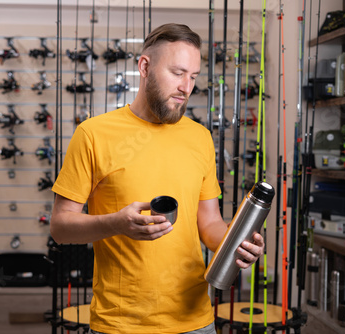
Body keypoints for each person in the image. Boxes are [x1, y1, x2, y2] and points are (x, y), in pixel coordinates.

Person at [50, 23, 264, 334]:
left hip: (195, 321)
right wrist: (116, 223)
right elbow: (60, 228)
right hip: (120, 324)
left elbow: (209, 224)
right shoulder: (93, 135)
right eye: (177, 73)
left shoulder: (200, 138)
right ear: (145, 67)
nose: (186, 87)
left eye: (193, 77)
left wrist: (237, 242)